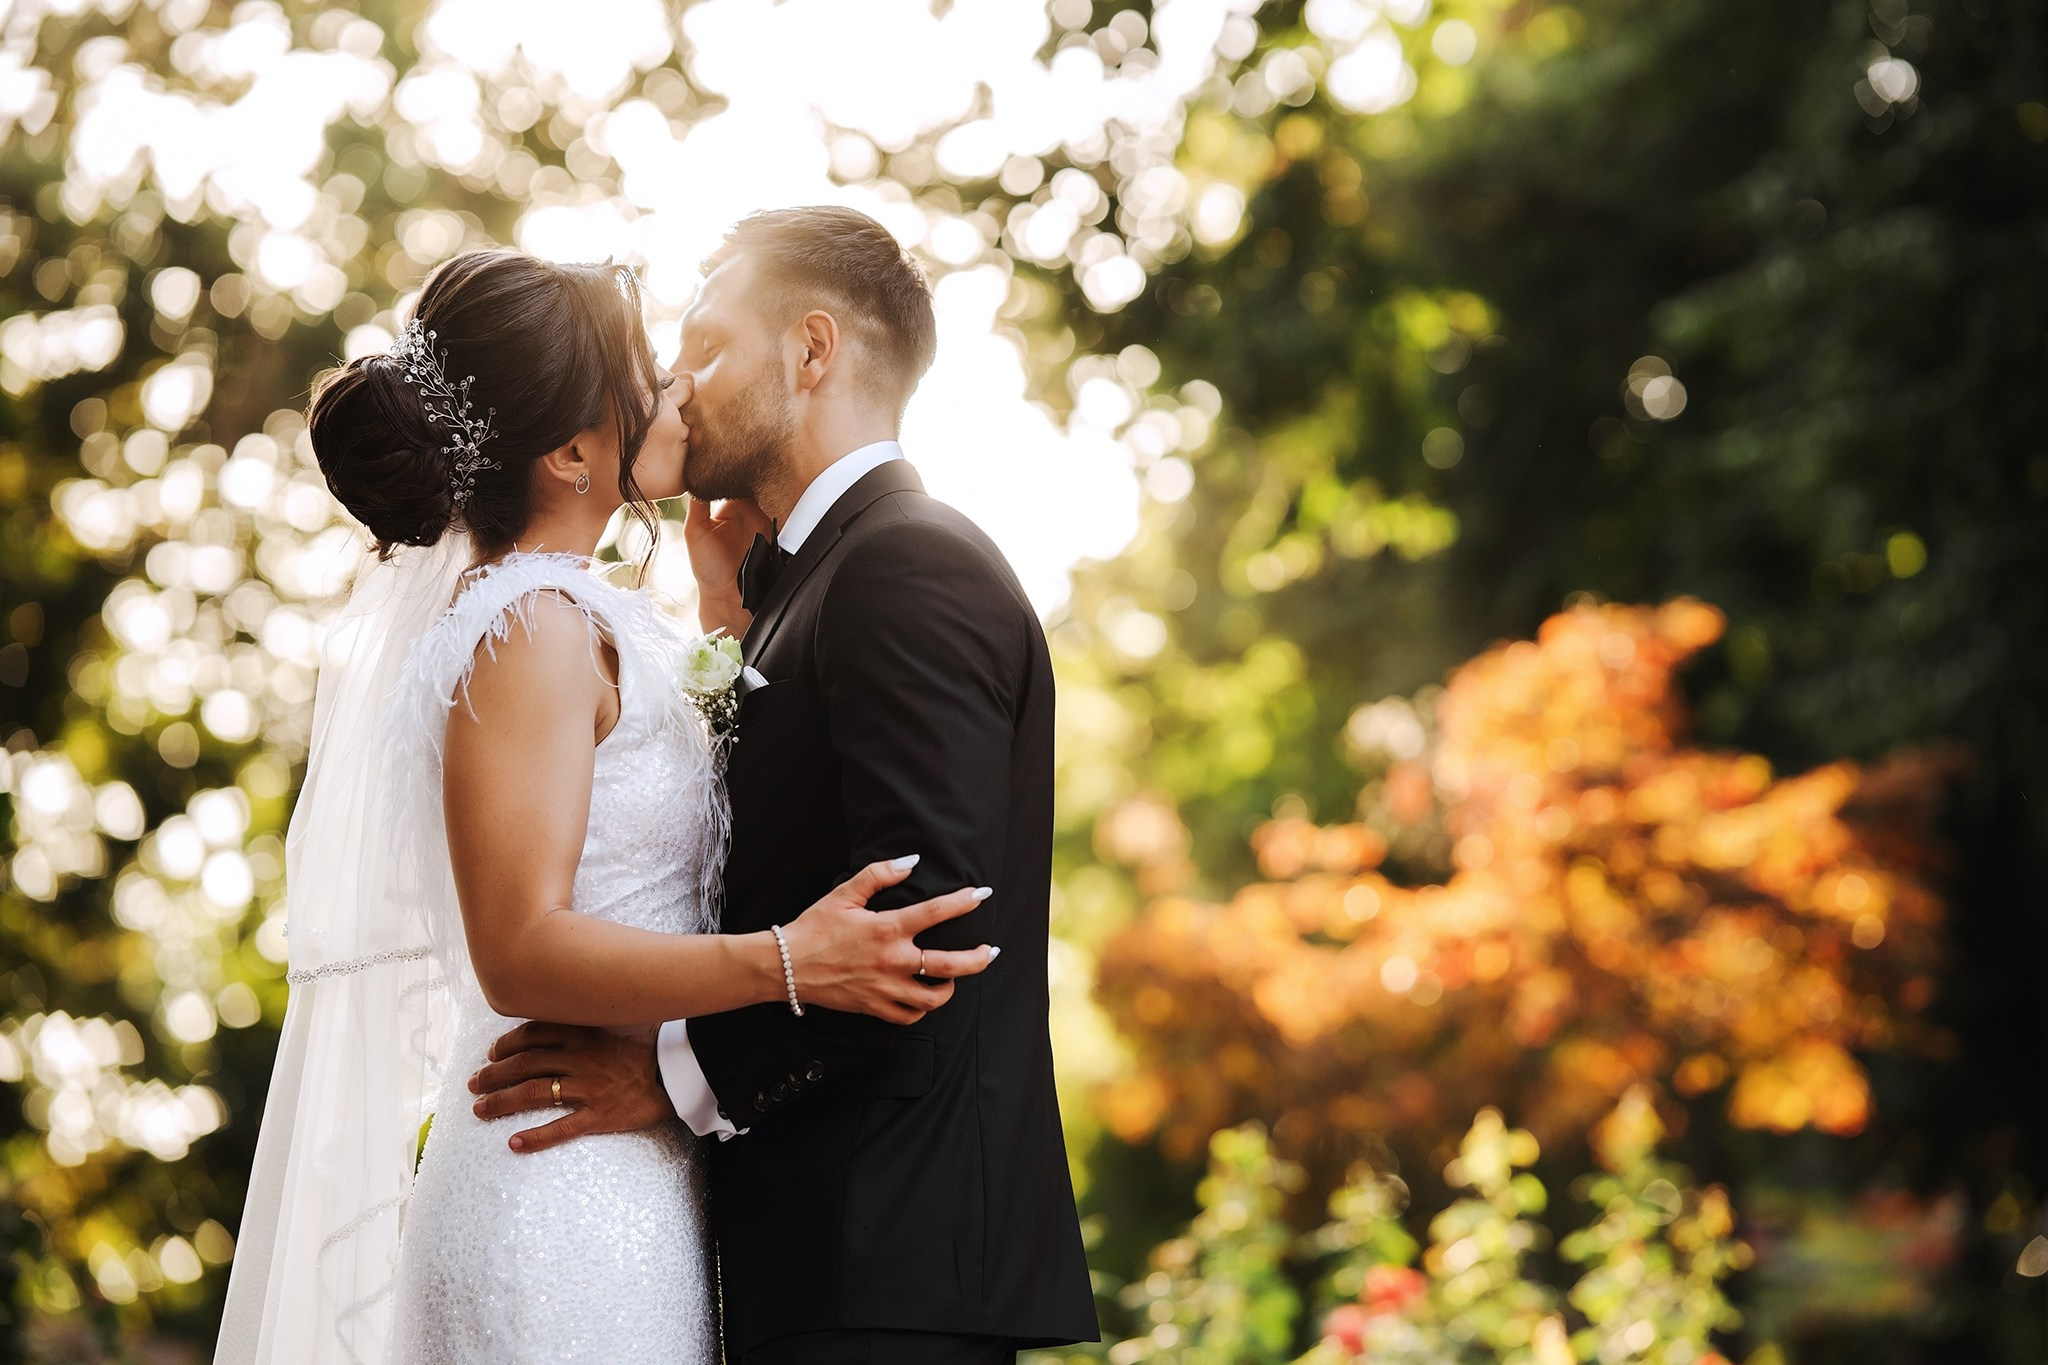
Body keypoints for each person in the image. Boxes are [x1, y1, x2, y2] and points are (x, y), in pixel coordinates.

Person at [215, 248, 996, 1364]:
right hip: (556, 1196)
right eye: (645, 372)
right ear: (573, 453)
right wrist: (789, 961)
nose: (677, 385)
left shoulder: (572, 614)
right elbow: (521, 948)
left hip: (616, 1173)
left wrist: (728, 614)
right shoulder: (527, 628)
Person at [471, 207, 1099, 1364]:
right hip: (817, 1262)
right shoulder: (808, 584)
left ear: (812, 351)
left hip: (889, 1274)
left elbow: (920, 935)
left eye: (707, 346)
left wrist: (671, 1077)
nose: (675, 385)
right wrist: (731, 618)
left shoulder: (907, 564)